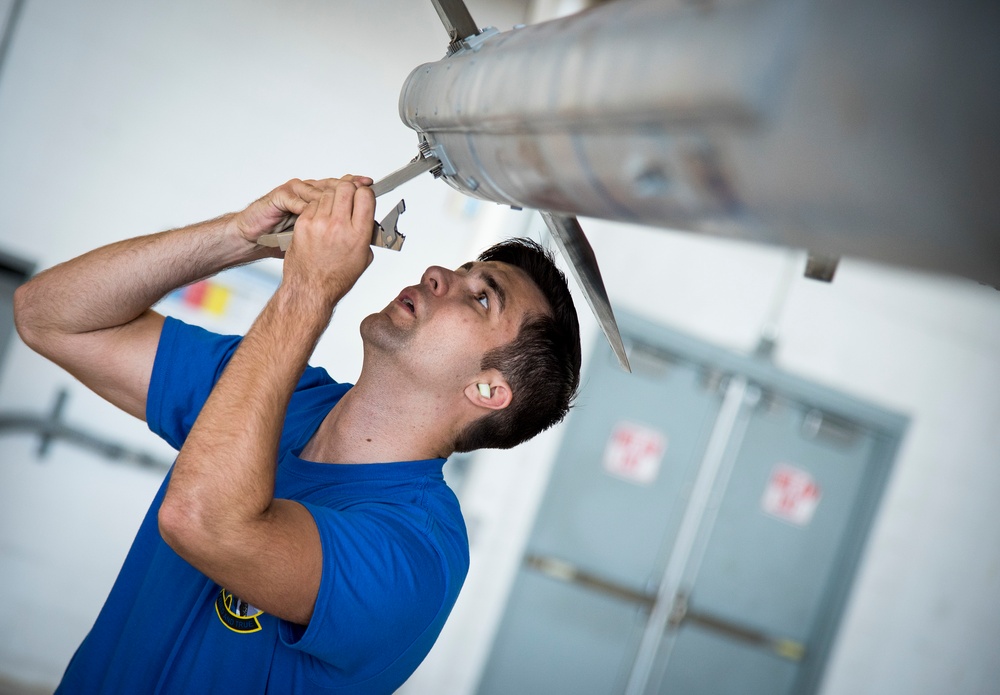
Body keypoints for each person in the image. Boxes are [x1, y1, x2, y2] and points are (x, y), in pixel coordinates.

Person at [13, 175, 582, 694]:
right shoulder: (280, 395)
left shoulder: (416, 553)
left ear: (487, 391)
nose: (439, 275)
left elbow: (202, 521)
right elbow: (48, 315)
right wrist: (241, 237)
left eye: (480, 297)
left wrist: (309, 290)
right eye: (459, 271)